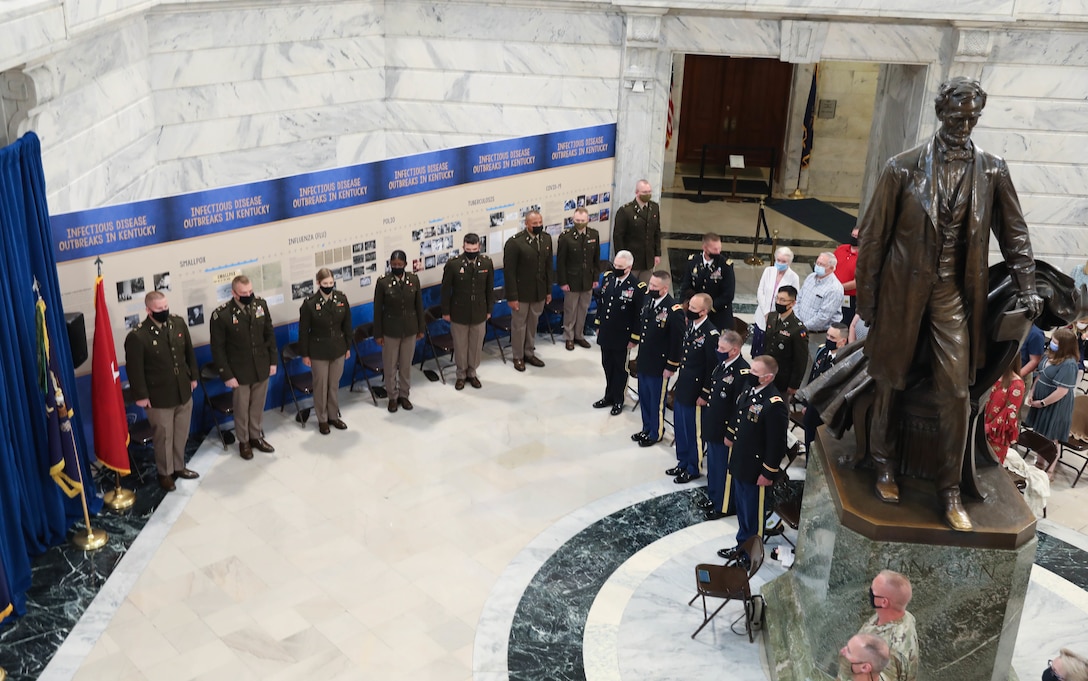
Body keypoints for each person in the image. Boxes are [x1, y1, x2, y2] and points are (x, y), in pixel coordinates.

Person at [855, 77, 1041, 532]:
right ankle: (883, 463)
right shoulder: (902, 167)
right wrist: (869, 302)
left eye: (971, 117)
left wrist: (1028, 283)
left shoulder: (993, 170)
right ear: (941, 114)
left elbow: (1014, 233)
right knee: (889, 380)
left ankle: (950, 489)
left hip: (953, 294)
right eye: (956, 116)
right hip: (902, 292)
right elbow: (873, 240)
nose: (964, 125)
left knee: (958, 392)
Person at [716, 355, 788, 567]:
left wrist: (768, 472)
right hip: (741, 461)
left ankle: (750, 556)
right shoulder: (750, 390)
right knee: (742, 511)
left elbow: (777, 443)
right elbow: (738, 415)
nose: (750, 375)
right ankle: (741, 545)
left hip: (756, 469)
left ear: (767, 377)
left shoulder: (774, 404)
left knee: (753, 515)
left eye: (755, 373)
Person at [124, 291, 199, 490]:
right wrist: (141, 396)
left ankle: (179, 466)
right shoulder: (138, 336)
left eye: (166, 307)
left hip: (182, 389)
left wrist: (193, 377)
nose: (164, 311)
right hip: (158, 396)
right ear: (148, 310)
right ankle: (165, 473)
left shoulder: (178, 323)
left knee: (181, 433)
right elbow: (134, 369)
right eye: (159, 309)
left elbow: (188, 352)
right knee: (164, 437)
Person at [209, 275, 278, 459]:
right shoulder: (221, 315)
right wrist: (227, 375)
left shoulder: (260, 305)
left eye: (250, 292)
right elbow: (218, 349)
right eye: (243, 293)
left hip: (261, 365)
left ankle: (256, 436)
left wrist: (273, 361)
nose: (248, 295)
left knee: (257, 406)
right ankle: (244, 441)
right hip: (238, 371)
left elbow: (269, 334)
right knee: (241, 409)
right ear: (233, 293)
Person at [667, 293, 718, 483]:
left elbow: (711, 367)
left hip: (697, 391)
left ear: (704, 311)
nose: (689, 310)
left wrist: (705, 393)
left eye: (694, 309)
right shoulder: (691, 326)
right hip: (684, 385)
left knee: (693, 431)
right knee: (680, 428)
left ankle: (693, 467)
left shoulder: (711, 334)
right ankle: (682, 462)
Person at [698, 330, 749, 519]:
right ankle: (714, 496)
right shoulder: (723, 365)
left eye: (722, 348)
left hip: (725, 430)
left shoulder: (741, 372)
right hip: (713, 425)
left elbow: (739, 408)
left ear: (734, 350)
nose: (718, 350)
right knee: (714, 466)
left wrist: (731, 433)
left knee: (725, 471)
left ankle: (724, 505)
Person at [632, 270, 685, 447]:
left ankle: (656, 433)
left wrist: (671, 366)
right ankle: (646, 427)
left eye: (654, 286)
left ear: (665, 288)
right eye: (650, 285)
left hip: (660, 365)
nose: (650, 288)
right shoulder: (648, 300)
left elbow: (676, 342)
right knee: (644, 397)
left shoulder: (673, 310)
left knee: (656, 401)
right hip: (645, 360)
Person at [297, 267, 352, 434]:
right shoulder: (310, 304)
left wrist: (347, 347)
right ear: (318, 283)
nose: (329, 286)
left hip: (338, 349)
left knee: (333, 385)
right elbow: (303, 332)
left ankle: (333, 416)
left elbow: (347, 325)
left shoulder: (341, 299)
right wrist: (305, 354)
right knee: (320, 387)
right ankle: (322, 419)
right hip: (318, 351)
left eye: (331, 283)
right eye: (325, 283)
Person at [593, 250, 646, 414]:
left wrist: (634, 338)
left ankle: (618, 399)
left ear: (629, 267)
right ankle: (608, 395)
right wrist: (598, 324)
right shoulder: (609, 279)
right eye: (615, 265)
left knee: (620, 370)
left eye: (620, 266)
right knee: (607, 365)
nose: (616, 268)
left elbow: (639, 316)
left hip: (623, 336)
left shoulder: (637, 287)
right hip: (606, 332)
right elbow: (602, 303)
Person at [441, 233, 495, 391]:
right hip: (459, 311)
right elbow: (445, 290)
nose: (471, 251)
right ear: (463, 247)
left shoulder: (486, 263)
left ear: (479, 247)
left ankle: (472, 372)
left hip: (479, 310)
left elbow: (489, 288)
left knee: (476, 344)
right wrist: (446, 311)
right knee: (460, 345)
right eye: (468, 248)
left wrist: (489, 309)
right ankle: (461, 374)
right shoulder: (454, 264)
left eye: (474, 248)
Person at [1025, 327, 1081, 479]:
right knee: (1040, 433)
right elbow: (1040, 375)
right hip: (1040, 399)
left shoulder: (1069, 364)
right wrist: (1032, 392)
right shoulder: (1049, 355)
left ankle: (1049, 469)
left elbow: (1061, 391)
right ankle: (1039, 463)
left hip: (1055, 405)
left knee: (1051, 437)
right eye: (1053, 341)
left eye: (1056, 343)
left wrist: (1042, 403)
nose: (1052, 344)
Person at [843, 570, 919, 681]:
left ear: (884, 602)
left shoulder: (891, 649)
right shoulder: (893, 614)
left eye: (873, 591)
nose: (869, 592)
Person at [374, 250, 424, 413]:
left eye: (399, 265)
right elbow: (377, 310)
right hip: (390, 330)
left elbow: (419, 306)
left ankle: (404, 395)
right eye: (394, 265)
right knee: (390, 367)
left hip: (409, 329)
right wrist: (378, 334)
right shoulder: (383, 282)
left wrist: (420, 328)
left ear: (405, 264)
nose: (396, 267)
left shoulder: (413, 280)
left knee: (406, 366)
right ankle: (392, 397)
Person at [504, 210, 554, 372]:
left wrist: (548, 291)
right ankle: (518, 356)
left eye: (540, 222)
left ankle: (529, 352)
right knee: (519, 325)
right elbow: (509, 272)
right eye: (535, 224)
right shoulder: (515, 243)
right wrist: (512, 296)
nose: (538, 226)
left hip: (539, 292)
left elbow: (548, 267)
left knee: (532, 324)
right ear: (526, 224)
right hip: (521, 293)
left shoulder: (546, 239)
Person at [556, 207, 601, 351]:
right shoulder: (566, 237)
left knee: (583, 309)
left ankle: (579, 335)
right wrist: (563, 282)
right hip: (571, 280)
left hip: (587, 279)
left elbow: (596, 259)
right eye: (577, 220)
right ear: (573, 220)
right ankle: (568, 336)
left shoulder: (594, 234)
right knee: (570, 309)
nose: (580, 223)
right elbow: (561, 262)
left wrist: (595, 278)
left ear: (587, 220)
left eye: (582, 220)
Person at [801, 321, 848, 453]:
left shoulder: (845, 361)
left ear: (842, 341)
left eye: (832, 338)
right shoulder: (822, 351)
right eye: (827, 336)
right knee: (809, 438)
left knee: (824, 445)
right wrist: (806, 403)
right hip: (814, 405)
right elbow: (813, 376)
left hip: (829, 409)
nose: (828, 339)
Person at [679, 233, 735, 335]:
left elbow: (728, 294)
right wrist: (683, 308)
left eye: (719, 249)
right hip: (696, 313)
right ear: (705, 248)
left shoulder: (725, 265)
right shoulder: (693, 262)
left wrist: (708, 308)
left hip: (717, 315)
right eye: (714, 249)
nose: (718, 252)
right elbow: (685, 287)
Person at [763, 285, 809, 397]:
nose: (778, 302)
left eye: (783, 300)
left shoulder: (798, 329)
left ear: (792, 303)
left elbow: (800, 360)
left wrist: (794, 385)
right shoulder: (772, 317)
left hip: (782, 378)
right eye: (777, 299)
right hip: (766, 372)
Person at [753, 246, 800, 355]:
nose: (780, 263)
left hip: (778, 318)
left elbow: (793, 299)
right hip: (762, 315)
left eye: (783, 261)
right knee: (758, 352)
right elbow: (760, 291)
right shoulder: (768, 271)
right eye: (778, 260)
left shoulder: (793, 277)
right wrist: (766, 313)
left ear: (789, 262)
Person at [611, 179, 661, 281]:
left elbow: (657, 232)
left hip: (648, 260)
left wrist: (657, 253)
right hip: (631, 260)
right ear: (637, 192)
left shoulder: (654, 207)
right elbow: (618, 237)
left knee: (644, 289)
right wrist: (622, 259)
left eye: (649, 192)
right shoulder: (625, 211)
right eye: (644, 192)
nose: (647, 194)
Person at [796, 251, 844, 355]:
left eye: (822, 265)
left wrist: (802, 326)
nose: (818, 266)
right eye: (817, 263)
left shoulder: (834, 289)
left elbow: (823, 317)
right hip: (800, 330)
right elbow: (798, 299)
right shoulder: (810, 277)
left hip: (817, 336)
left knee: (814, 364)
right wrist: (797, 322)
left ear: (832, 268)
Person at [984, 355, 1025, 464]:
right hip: (980, 426)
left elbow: (1009, 413)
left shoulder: (1017, 384)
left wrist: (989, 427)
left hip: (996, 433)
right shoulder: (992, 375)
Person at [835, 226, 860, 325]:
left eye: (857, 236)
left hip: (849, 298)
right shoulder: (841, 249)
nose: (854, 238)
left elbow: (857, 282)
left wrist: (838, 287)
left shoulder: (864, 256)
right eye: (853, 235)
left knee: (844, 325)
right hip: (833, 294)